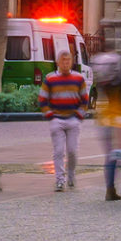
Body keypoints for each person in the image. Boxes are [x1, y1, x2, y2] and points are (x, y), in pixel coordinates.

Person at [42, 45, 89, 191]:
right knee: (58, 151)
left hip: (73, 119)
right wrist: (50, 114)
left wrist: (80, 114)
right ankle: (59, 180)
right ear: (57, 62)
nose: (65, 63)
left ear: (72, 62)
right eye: (63, 61)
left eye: (68, 61)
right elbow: (42, 99)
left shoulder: (78, 78)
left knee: (72, 151)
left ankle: (71, 174)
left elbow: (85, 99)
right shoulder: (50, 78)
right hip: (57, 118)